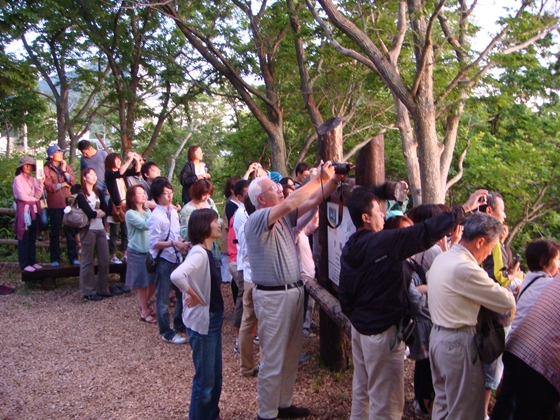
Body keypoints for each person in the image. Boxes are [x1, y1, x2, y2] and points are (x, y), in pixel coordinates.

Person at [339, 187, 484, 420]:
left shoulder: (350, 246)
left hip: (361, 329)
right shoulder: (383, 242)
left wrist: (357, 319)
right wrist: (463, 210)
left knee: (363, 389)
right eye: (378, 211)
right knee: (385, 401)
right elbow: (423, 232)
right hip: (381, 331)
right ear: (366, 218)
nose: (383, 215)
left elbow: (344, 294)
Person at [245, 162, 344, 420]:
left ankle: (283, 404)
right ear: (260, 198)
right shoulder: (257, 218)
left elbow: (312, 201)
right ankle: (266, 413)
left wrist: (331, 182)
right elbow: (290, 203)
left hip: (292, 292)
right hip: (272, 296)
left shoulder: (281, 218)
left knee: (290, 354)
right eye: (273, 187)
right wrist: (315, 178)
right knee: (273, 357)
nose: (279, 189)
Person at [427, 213, 516, 420]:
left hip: (438, 337)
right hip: (458, 342)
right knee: (465, 412)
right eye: (490, 248)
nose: (488, 255)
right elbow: (507, 301)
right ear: (480, 241)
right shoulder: (466, 268)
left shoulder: (444, 257)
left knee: (443, 405)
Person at [491, 239, 559, 420]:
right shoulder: (547, 284)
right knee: (528, 409)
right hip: (536, 357)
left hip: (516, 346)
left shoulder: (529, 279)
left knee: (507, 400)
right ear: (545, 263)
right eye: (557, 259)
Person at [170, 209, 224, 420]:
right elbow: (177, 275)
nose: (219, 223)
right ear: (204, 226)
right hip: (205, 322)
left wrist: (194, 291)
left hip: (213, 319)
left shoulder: (204, 251)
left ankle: (212, 415)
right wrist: (194, 294)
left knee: (215, 378)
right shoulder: (200, 253)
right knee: (205, 381)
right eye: (214, 220)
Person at [479, 192, 523, 419]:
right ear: (489, 211)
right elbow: (499, 275)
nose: (505, 215)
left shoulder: (478, 236)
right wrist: (516, 280)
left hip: (480, 311)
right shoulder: (492, 240)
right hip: (494, 313)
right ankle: (483, 413)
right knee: (491, 365)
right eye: (502, 209)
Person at [149, 177, 190, 344]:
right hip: (163, 260)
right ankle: (166, 332)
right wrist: (174, 243)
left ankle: (180, 324)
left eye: (170, 192)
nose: (169, 196)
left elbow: (176, 233)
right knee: (163, 298)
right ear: (158, 196)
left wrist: (181, 243)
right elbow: (153, 243)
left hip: (176, 257)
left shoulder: (173, 212)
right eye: (165, 193)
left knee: (182, 292)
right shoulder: (155, 216)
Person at [75, 168, 111, 301]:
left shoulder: (98, 192)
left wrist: (98, 213)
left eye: (95, 174)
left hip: (100, 228)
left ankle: (103, 288)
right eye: (91, 174)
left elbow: (107, 210)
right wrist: (97, 213)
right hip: (88, 229)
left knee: (105, 260)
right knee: (87, 260)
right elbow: (90, 213)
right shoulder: (80, 195)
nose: (94, 176)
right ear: (84, 177)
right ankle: (87, 291)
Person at [43, 145, 79, 267]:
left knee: (71, 230)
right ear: (51, 155)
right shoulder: (46, 169)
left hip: (68, 203)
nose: (61, 154)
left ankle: (73, 258)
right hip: (55, 204)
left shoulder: (66, 166)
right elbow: (49, 186)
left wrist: (64, 170)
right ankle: (55, 259)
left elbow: (73, 182)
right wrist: (63, 184)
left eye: (61, 152)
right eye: (59, 152)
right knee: (55, 231)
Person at [125, 184, 156, 323]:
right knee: (142, 284)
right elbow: (146, 225)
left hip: (149, 251)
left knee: (153, 282)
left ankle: (145, 304)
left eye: (144, 192)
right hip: (137, 251)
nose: (143, 195)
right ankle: (144, 310)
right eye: (139, 193)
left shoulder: (148, 210)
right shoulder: (130, 214)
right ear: (132, 197)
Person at [105, 152, 141, 268]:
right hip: (115, 206)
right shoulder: (109, 173)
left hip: (126, 205)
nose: (119, 161)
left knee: (126, 232)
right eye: (116, 160)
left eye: (119, 159)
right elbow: (119, 173)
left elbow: (136, 171)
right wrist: (129, 160)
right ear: (111, 161)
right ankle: (113, 256)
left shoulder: (122, 172)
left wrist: (137, 160)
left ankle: (125, 255)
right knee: (114, 232)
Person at [12, 157, 44, 272]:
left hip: (34, 210)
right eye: (26, 165)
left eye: (30, 165)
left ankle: (32, 261)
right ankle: (24, 263)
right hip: (24, 210)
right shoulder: (17, 179)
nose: (28, 167)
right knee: (23, 237)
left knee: (32, 237)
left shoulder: (33, 180)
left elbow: (38, 195)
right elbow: (21, 196)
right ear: (21, 166)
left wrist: (41, 184)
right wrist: (34, 199)